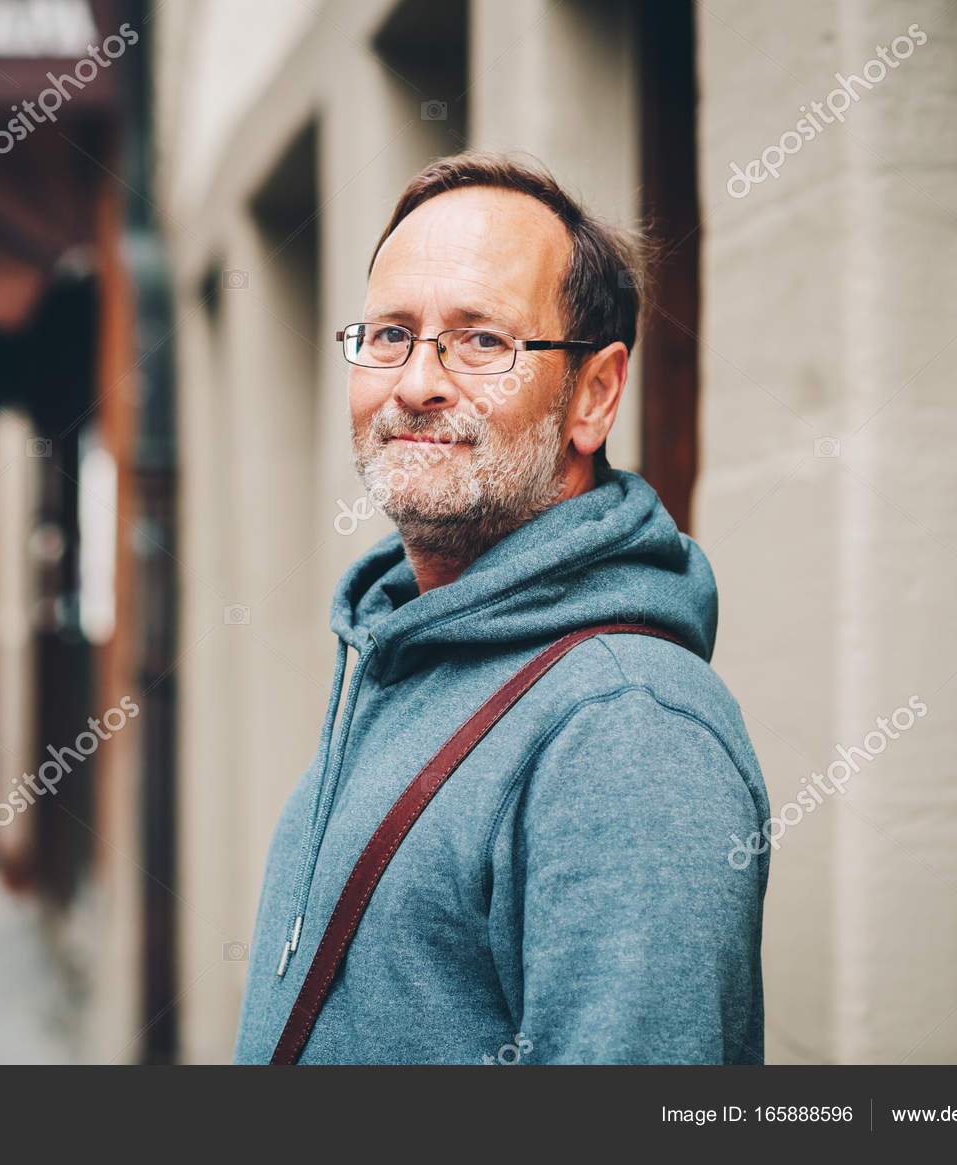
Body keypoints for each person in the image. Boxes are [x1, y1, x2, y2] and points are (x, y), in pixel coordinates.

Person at [233, 154, 771, 1064]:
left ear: (592, 395)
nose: (415, 384)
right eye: (390, 334)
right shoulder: (398, 645)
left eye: (481, 341)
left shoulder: (625, 726)